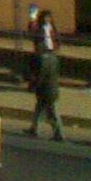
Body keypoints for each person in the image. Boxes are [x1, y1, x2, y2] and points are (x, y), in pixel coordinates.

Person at [29, 9, 65, 140]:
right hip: (50, 88)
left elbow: (41, 75)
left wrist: (35, 85)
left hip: (47, 89)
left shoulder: (44, 60)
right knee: (39, 107)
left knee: (52, 111)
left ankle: (59, 134)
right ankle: (34, 128)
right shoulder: (52, 59)